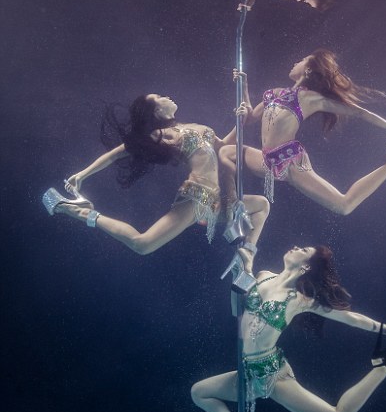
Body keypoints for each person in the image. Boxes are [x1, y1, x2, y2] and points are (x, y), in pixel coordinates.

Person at [191, 245, 386, 412]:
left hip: (273, 376)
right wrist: (246, 269)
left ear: (306, 266)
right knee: (199, 393)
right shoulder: (263, 276)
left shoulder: (300, 299)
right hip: (249, 375)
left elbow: (350, 318)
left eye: (304, 250)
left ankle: (384, 364)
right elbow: (237, 311)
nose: (296, 247)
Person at [42, 93, 269, 290]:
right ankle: (80, 211)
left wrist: (240, 122)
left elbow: (224, 146)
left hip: (215, 201)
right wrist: (83, 174)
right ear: (157, 111)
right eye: (160, 97)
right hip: (196, 196)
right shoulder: (162, 134)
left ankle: (246, 257)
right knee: (143, 244)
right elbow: (117, 153)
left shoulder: (199, 128)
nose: (166, 96)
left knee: (261, 205)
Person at [220, 49, 386, 208]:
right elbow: (249, 118)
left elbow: (359, 112)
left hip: (290, 162)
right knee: (226, 152)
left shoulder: (311, 99)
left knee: (343, 205)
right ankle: (233, 204)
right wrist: (243, 87)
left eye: (302, 60)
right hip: (266, 160)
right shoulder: (272, 94)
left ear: (308, 70)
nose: (296, 61)